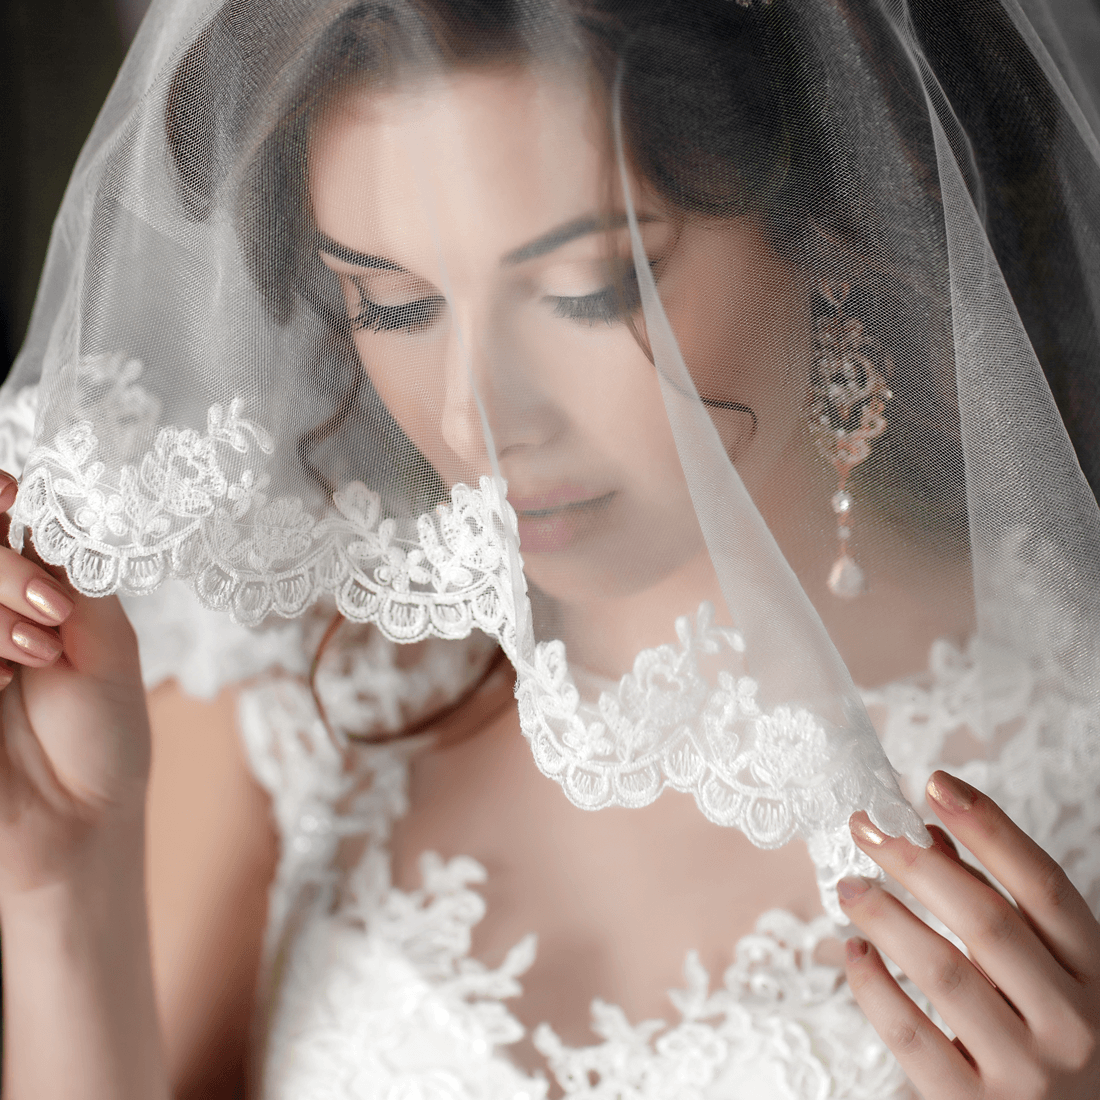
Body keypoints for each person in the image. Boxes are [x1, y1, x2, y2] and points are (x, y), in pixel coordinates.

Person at [0, 0, 1099, 1097]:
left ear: (827, 212)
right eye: (393, 305)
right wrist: (60, 877)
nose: (479, 418)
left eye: (590, 289)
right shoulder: (281, 688)